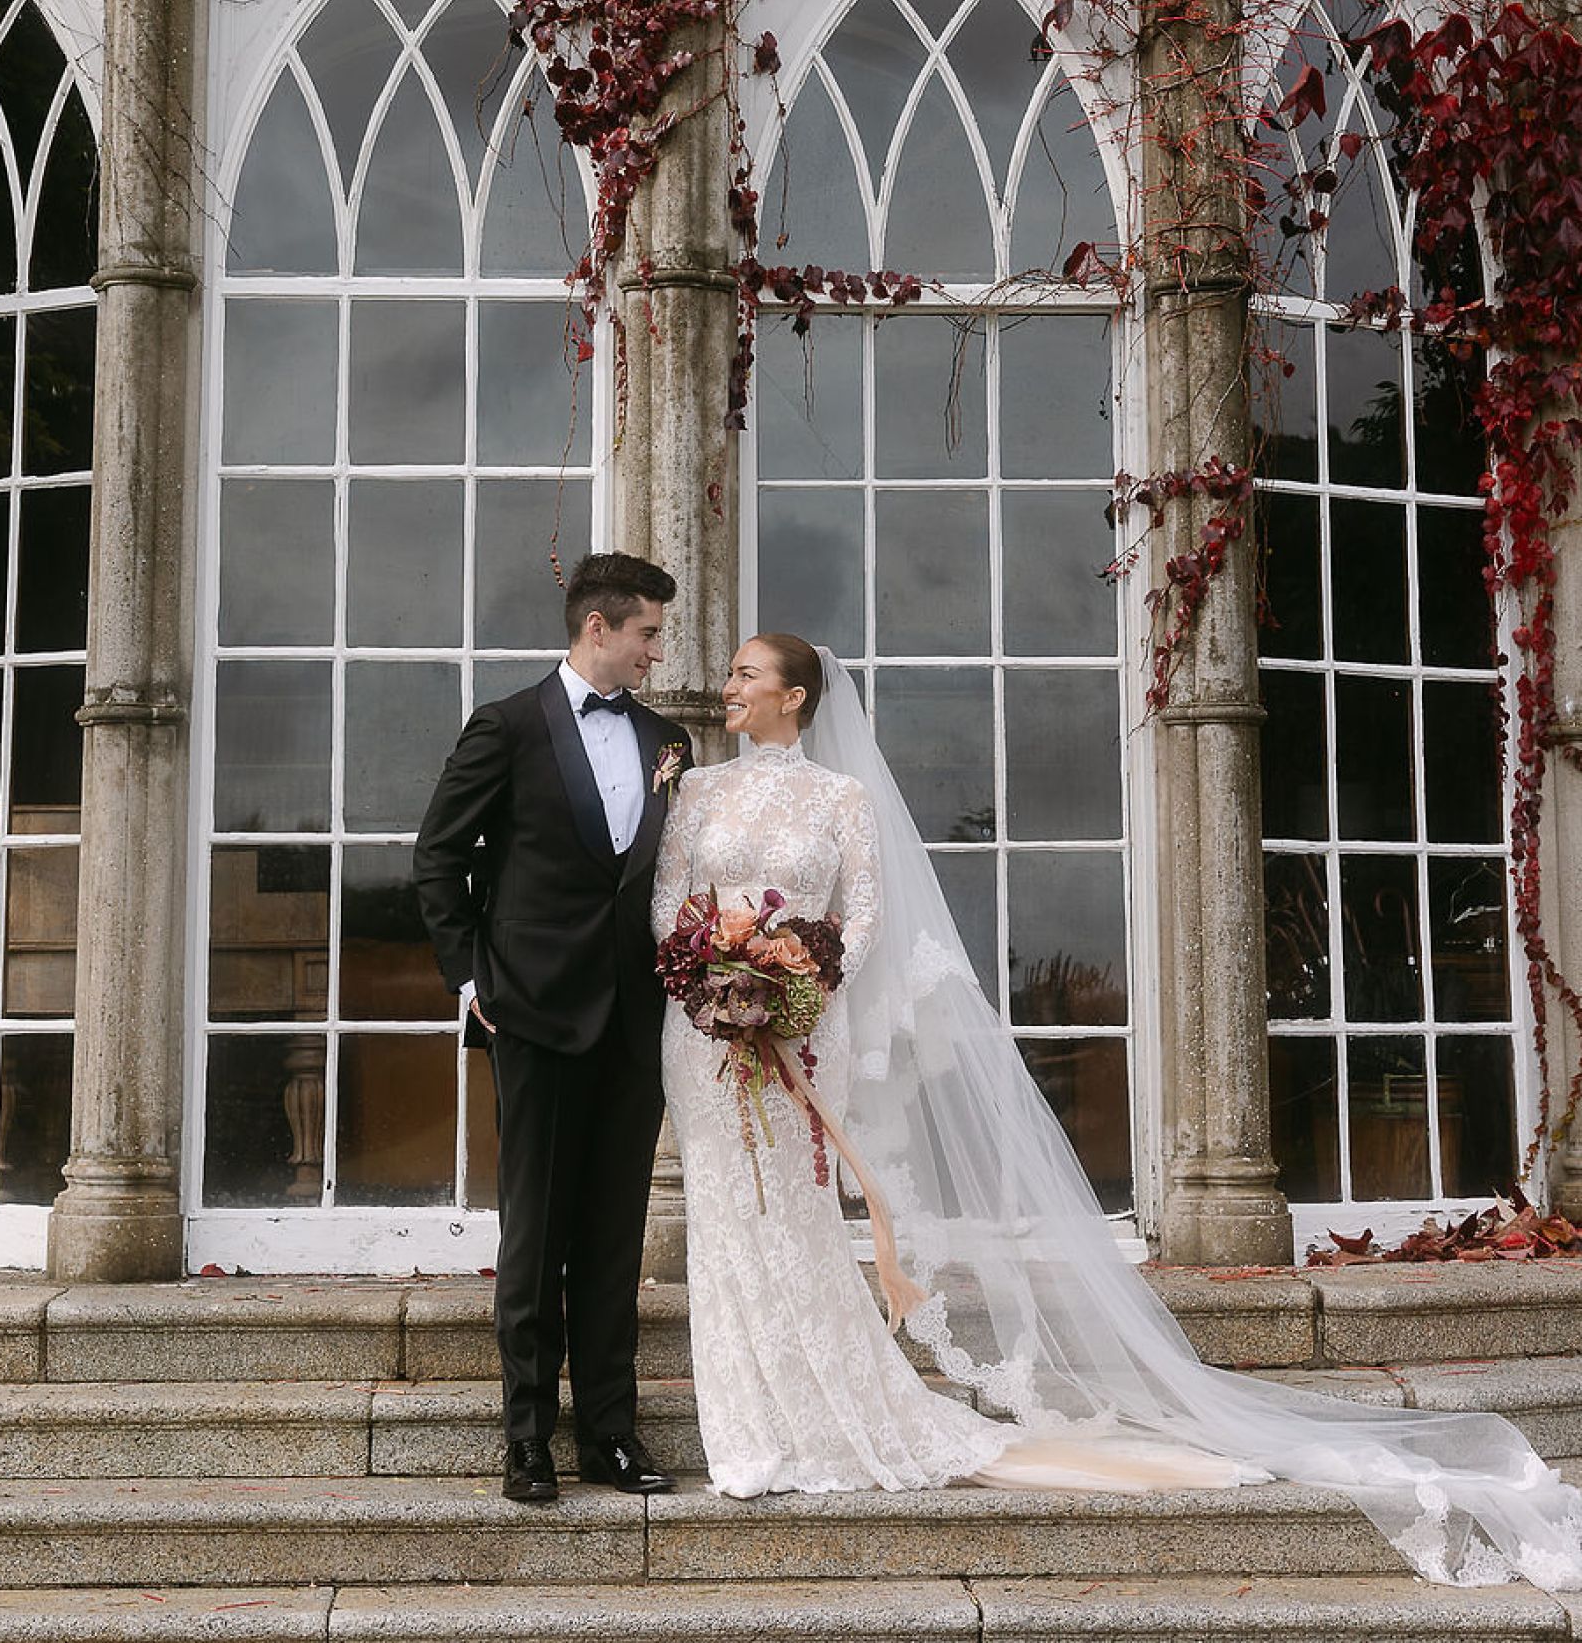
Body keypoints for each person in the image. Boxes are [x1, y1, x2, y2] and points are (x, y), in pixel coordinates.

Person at [654, 634, 1582, 1589]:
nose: (726, 687)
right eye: (731, 674)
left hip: (807, 1029)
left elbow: (864, 915)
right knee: (727, 1222)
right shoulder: (696, 793)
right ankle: (750, 1428)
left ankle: (826, 1414)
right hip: (703, 1035)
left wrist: (792, 984)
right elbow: (666, 905)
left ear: (795, 697)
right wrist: (712, 981)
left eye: (744, 675)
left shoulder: (841, 799)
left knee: (799, 1218)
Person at [413, 550, 690, 1507]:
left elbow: (665, 878)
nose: (659, 651)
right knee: (534, 1234)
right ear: (599, 629)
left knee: (613, 1237)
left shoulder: (670, 740)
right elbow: (437, 859)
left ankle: (608, 1436)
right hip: (531, 1011)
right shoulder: (506, 727)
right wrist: (468, 978)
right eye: (649, 633)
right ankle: (525, 1438)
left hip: (636, 1022)